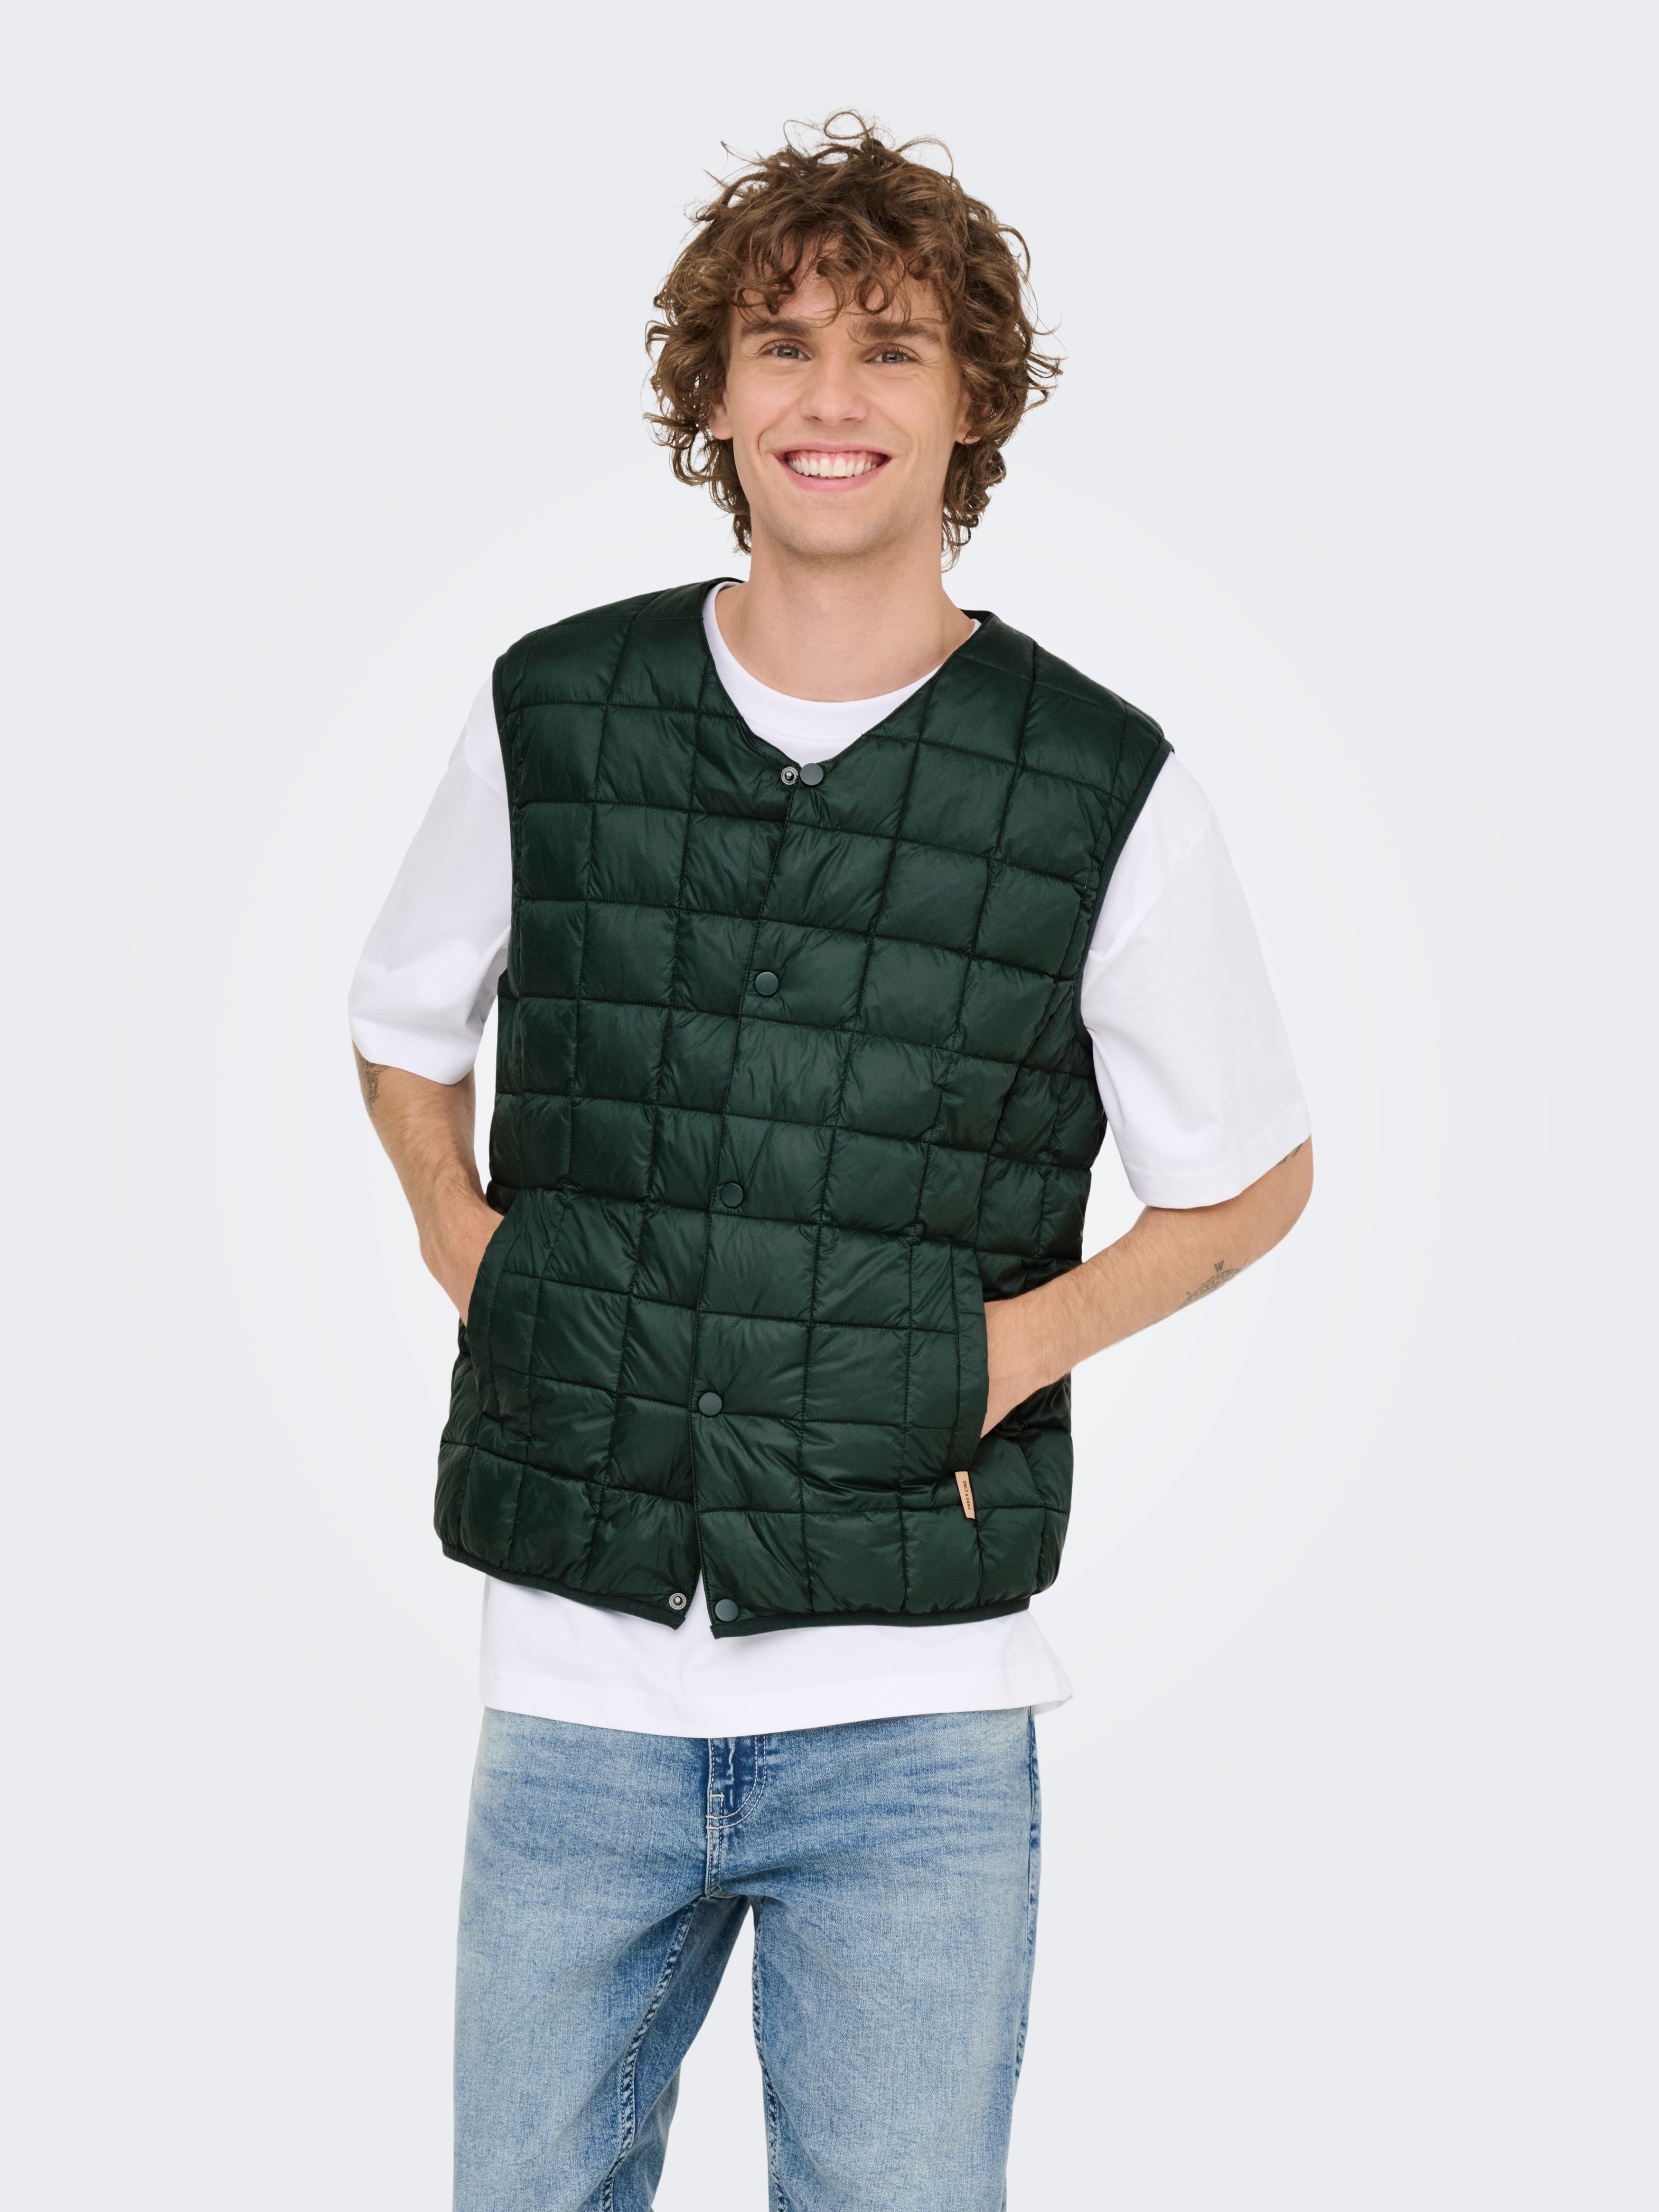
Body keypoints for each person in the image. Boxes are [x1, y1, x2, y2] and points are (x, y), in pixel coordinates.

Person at [350, 116, 1312, 2212]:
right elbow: (405, 1023)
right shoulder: (557, 709)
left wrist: (999, 1355)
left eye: (891, 346)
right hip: (579, 1696)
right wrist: (468, 1249)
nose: (830, 395)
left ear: (973, 403)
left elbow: (1249, 1175)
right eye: (781, 343)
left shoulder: (1098, 782)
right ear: (713, 394)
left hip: (917, 1726)